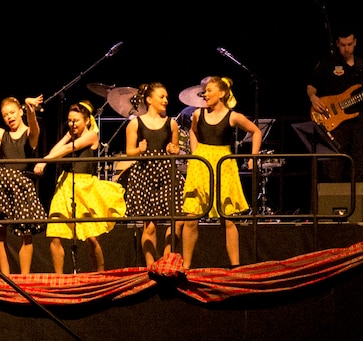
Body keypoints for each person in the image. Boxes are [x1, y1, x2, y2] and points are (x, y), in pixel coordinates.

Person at [297, 27, 363, 214]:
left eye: (350, 44)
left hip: (359, 123)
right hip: (334, 123)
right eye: (343, 45)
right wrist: (313, 98)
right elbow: (310, 86)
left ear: (355, 43)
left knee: (362, 168)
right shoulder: (327, 63)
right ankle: (330, 212)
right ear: (337, 44)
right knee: (333, 168)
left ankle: (360, 213)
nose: (346, 49)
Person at [180, 76, 262, 267]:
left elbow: (256, 131)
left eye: (209, 91)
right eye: (205, 91)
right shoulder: (198, 115)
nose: (205, 94)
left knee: (228, 219)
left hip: (223, 165)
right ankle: (186, 267)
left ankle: (235, 267)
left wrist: (253, 157)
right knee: (191, 217)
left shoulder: (233, 116)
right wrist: (195, 153)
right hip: (200, 164)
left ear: (222, 93)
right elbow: (193, 131)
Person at [35, 101, 126, 273]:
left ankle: (100, 273)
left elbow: (69, 149)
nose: (72, 124)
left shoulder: (92, 135)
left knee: (90, 237)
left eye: (76, 120)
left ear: (86, 120)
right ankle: (59, 278)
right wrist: (68, 135)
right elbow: (58, 149)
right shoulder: (71, 135)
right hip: (65, 185)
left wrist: (44, 161)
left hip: (84, 188)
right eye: (69, 120)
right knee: (55, 232)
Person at [121, 82, 183, 265]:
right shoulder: (135, 124)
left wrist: (174, 149)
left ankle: (166, 261)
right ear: (149, 100)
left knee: (177, 219)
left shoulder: (171, 123)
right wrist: (139, 150)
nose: (166, 100)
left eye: (166, 97)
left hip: (166, 173)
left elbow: (176, 148)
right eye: (161, 96)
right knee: (150, 226)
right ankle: (151, 266)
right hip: (144, 173)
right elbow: (129, 151)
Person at [0, 96, 46, 273]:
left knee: (26, 234)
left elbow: (34, 126)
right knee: (0, 234)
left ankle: (24, 278)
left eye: (12, 112)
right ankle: (5, 279)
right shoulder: (3, 134)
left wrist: (29, 107)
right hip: (3, 186)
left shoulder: (29, 133)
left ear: (20, 112)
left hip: (22, 186)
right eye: (5, 115)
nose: (9, 117)